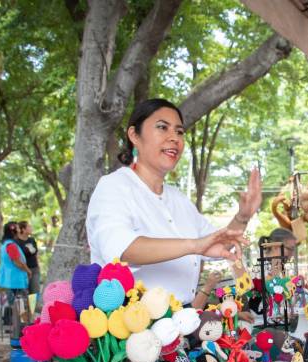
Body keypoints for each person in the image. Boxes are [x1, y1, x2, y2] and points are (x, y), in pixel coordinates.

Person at [86, 98, 260, 306]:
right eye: (162, 127)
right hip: (133, 326)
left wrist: (243, 216)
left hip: (184, 320)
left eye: (179, 132)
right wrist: (193, 245)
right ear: (134, 135)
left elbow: (218, 245)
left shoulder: (178, 199)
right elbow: (121, 249)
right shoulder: (113, 186)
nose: (174, 138)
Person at [0, 221, 31, 307]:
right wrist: (28, 270)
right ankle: (17, 320)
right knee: (20, 307)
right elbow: (18, 262)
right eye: (18, 228)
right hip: (15, 282)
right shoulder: (11, 245)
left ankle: (12, 319)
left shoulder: (5, 244)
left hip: (8, 280)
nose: (20, 230)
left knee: (11, 306)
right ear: (13, 231)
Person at [17, 221, 40, 297]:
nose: (31, 228)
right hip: (23, 270)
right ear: (23, 229)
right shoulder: (17, 242)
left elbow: (36, 253)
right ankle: (26, 308)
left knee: (35, 291)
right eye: (29, 227)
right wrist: (26, 269)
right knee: (24, 293)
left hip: (34, 268)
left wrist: (38, 265)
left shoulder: (32, 240)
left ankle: (34, 308)